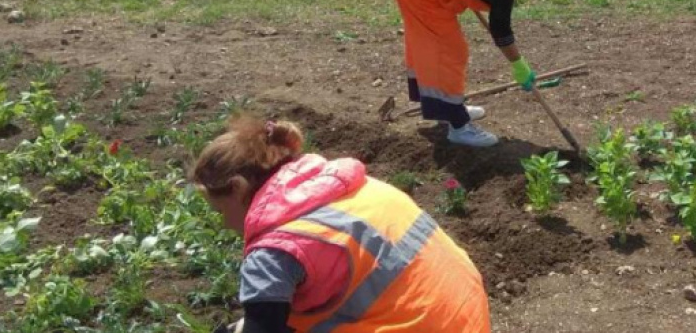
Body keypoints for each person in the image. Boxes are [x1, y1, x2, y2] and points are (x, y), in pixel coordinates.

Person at [192, 115, 491, 333]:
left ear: (238, 188)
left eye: (219, 211)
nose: (224, 225)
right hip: (466, 317)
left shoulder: (272, 254)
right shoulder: (351, 188)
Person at [389, 0, 573, 148]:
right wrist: (519, 65)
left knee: (441, 48)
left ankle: (448, 108)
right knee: (447, 52)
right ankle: (458, 126)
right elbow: (500, 28)